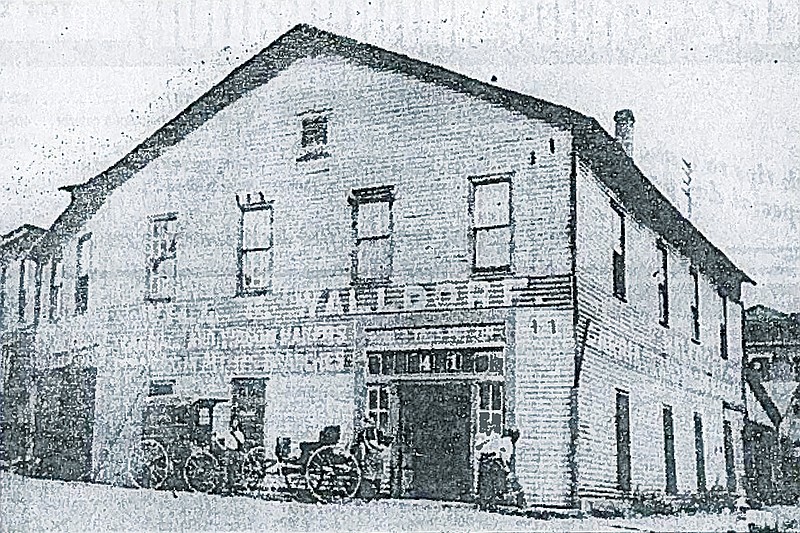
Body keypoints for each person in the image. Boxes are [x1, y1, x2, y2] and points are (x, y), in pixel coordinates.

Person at [216, 416, 245, 495]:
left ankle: (234, 486)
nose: (234, 424)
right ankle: (229, 486)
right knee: (229, 469)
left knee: (235, 469)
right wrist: (222, 445)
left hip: (236, 452)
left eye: (236, 423)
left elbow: (242, 442)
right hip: (229, 452)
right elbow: (219, 438)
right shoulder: (227, 433)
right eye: (233, 422)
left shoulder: (239, 433)